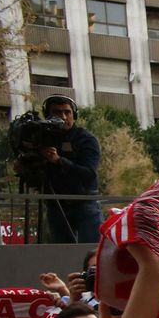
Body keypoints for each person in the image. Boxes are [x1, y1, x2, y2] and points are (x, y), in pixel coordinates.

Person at [35, 95, 100, 243]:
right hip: (56, 205)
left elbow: (89, 173)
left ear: (73, 114)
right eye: (57, 112)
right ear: (48, 115)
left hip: (84, 202)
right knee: (63, 253)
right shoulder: (42, 139)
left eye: (67, 112)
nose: (63, 117)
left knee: (90, 251)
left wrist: (59, 161)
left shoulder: (86, 139)